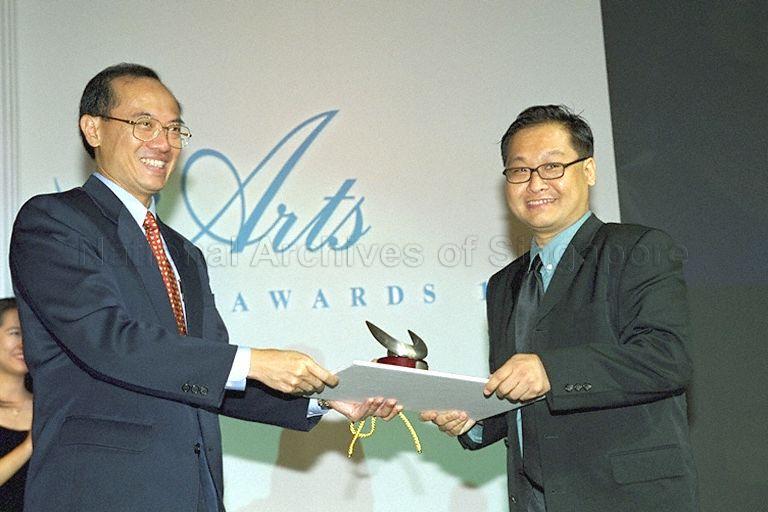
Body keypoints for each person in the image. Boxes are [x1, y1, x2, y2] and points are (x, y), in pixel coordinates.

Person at [9, 63, 399, 512]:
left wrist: (328, 398)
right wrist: (254, 361)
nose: (163, 142)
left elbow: (210, 374)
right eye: (144, 124)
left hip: (196, 492)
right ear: (93, 128)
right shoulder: (54, 221)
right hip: (100, 492)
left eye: (174, 128)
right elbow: (109, 340)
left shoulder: (183, 252)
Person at [421, 105, 697, 511]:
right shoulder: (504, 284)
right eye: (520, 170)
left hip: (626, 498)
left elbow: (667, 358)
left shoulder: (637, 250)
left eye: (552, 166)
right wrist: (476, 418)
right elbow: (525, 398)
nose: (535, 183)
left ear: (589, 171)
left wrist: (550, 371)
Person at [0, 298, 32, 511]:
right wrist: (29, 446)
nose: (24, 344)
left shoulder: (51, 405)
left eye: (30, 335)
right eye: (15, 333)